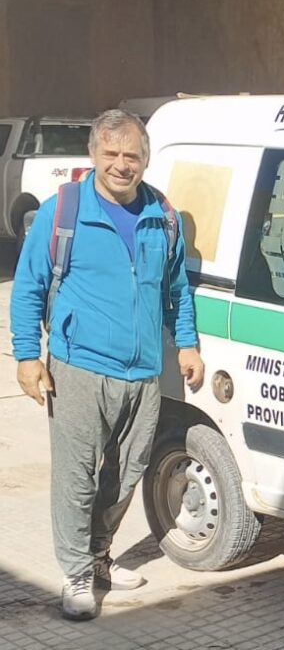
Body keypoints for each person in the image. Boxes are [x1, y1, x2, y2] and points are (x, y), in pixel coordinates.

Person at [10, 109, 204, 621]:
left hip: (141, 371)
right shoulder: (62, 212)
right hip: (78, 366)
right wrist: (27, 356)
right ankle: (75, 571)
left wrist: (186, 344)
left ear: (145, 158)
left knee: (129, 471)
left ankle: (98, 557)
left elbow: (177, 288)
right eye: (112, 154)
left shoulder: (161, 215)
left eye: (132, 155)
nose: (122, 165)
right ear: (94, 155)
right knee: (76, 476)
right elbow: (28, 287)